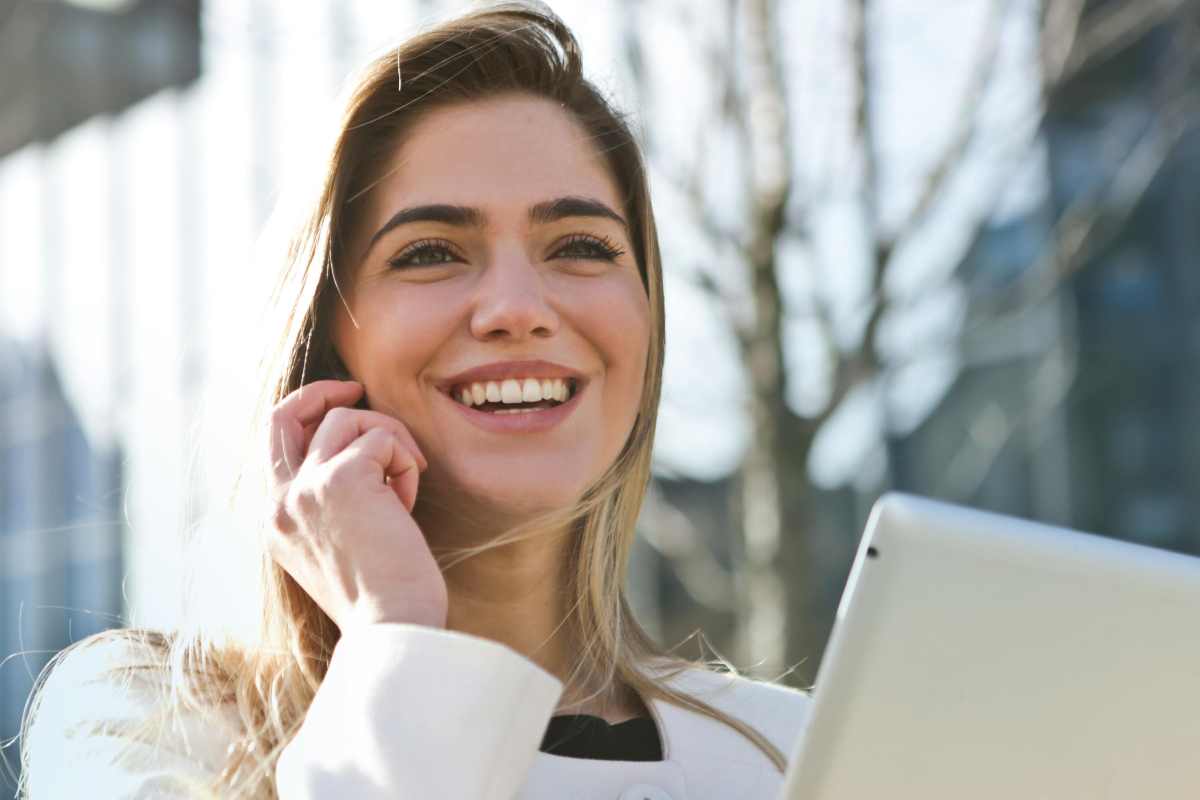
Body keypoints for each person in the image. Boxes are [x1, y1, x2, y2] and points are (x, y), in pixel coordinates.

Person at [19, 3, 811, 797]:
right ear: (327, 345)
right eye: (431, 252)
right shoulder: (150, 726)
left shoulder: (795, 751)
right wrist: (394, 634)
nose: (517, 307)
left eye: (580, 246)